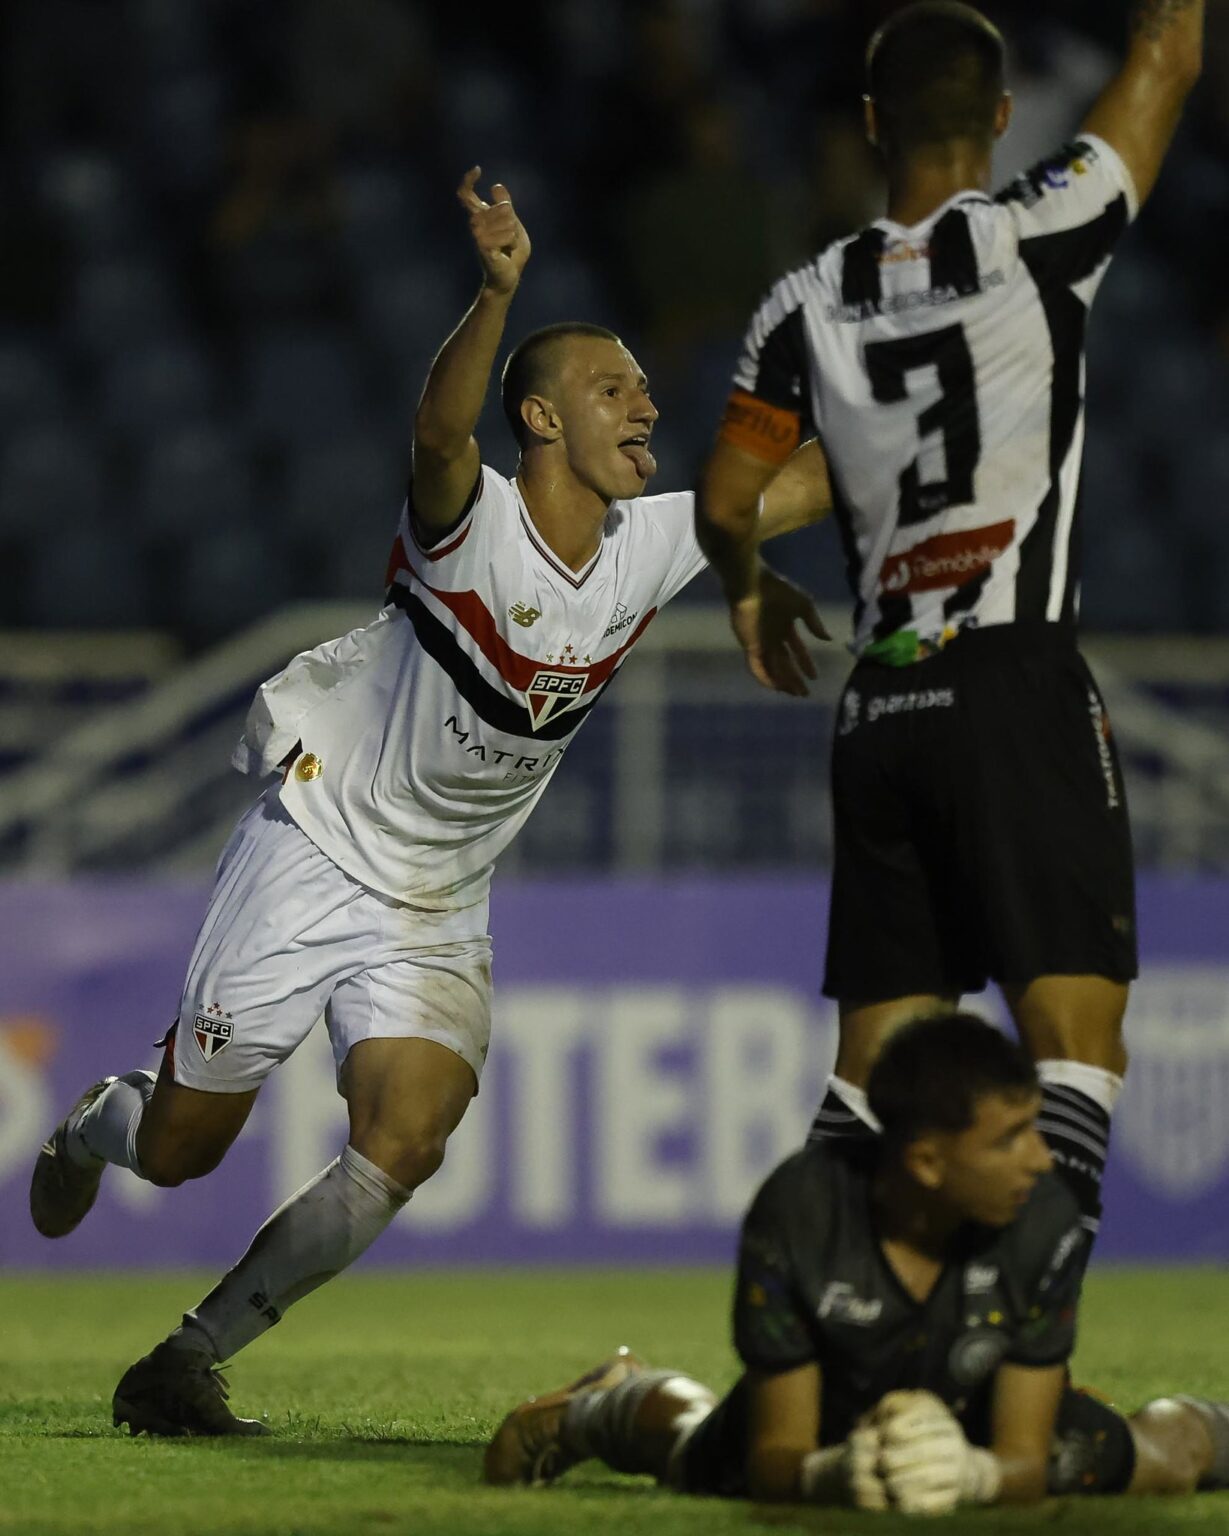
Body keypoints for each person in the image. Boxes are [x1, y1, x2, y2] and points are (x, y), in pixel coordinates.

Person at [29, 168, 831, 1436]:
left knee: (408, 1135)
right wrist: (497, 291)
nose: (646, 406)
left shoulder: (654, 544)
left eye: (642, 387)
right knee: (183, 1148)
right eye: (612, 389)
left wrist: (943, 407)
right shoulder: (470, 528)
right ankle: (95, 1129)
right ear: (541, 418)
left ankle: (187, 1358)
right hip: (321, 842)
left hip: (438, 894)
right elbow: (438, 438)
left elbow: (802, 486)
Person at [693, 0, 1206, 1233]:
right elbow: (1165, 51)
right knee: (1072, 1050)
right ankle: (1010, 1355)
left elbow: (729, 503)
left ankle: (805, 1334)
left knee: (870, 1074)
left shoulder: (804, 302)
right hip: (1010, 684)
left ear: (869, 127)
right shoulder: (1045, 230)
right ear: (998, 116)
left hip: (880, 702)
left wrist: (751, 597)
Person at [485, 1015, 1229, 1511]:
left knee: (1166, 1464)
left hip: (977, 1398)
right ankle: (606, 1401)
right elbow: (780, 1453)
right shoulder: (801, 1213)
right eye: (1008, 1139)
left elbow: (1023, 1462)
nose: (1040, 1158)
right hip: (832, 1405)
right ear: (927, 1160)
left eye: (1035, 1128)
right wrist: (828, 1474)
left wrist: (976, 1475)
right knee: (695, 1460)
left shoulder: (1046, 1219)